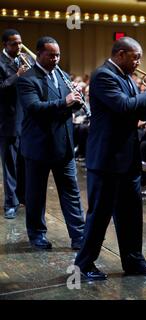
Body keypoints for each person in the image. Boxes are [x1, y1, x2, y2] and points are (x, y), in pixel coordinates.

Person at [74, 37, 146, 280]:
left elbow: (139, 109)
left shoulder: (127, 77)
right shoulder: (103, 75)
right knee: (100, 215)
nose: (139, 62)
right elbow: (124, 106)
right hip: (106, 160)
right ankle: (83, 265)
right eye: (135, 57)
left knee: (131, 215)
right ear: (120, 54)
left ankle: (134, 261)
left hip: (126, 159)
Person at [16, 36, 85, 250]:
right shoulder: (27, 79)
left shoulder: (63, 75)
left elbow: (66, 108)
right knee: (36, 195)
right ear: (39, 54)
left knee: (71, 193)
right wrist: (65, 101)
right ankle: (37, 235)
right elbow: (34, 108)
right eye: (51, 55)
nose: (56, 59)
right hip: (38, 146)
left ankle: (79, 236)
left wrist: (76, 103)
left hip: (63, 145)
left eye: (58, 55)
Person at [0, 29, 26, 219]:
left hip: (26, 120)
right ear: (5, 45)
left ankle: (22, 197)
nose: (19, 47)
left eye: (20, 43)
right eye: (14, 44)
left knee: (24, 164)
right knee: (10, 164)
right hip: (7, 121)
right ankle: (10, 203)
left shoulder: (25, 60)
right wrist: (17, 74)